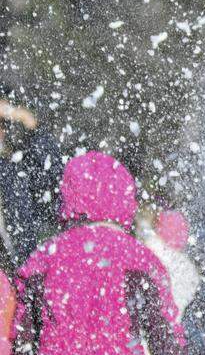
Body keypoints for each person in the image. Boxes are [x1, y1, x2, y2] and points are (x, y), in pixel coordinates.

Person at [12, 151, 186, 354]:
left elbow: (23, 337)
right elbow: (166, 340)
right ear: (126, 197)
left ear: (68, 194)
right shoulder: (141, 259)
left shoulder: (43, 257)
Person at [0, 82, 64, 265]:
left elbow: (54, 177)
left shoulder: (13, 171)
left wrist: (32, 127)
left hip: (18, 277)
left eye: (4, 123)